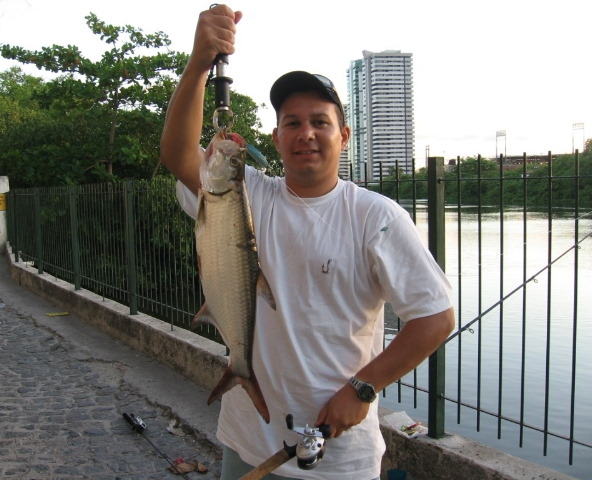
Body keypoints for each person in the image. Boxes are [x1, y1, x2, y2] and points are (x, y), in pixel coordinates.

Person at [160, 5, 455, 479]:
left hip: (340, 457)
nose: (307, 134)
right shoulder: (242, 193)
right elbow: (177, 152)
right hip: (247, 440)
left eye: (320, 121)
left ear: (344, 134)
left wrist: (363, 389)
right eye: (292, 123)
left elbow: (436, 319)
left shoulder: (377, 217)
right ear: (276, 138)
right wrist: (199, 62)